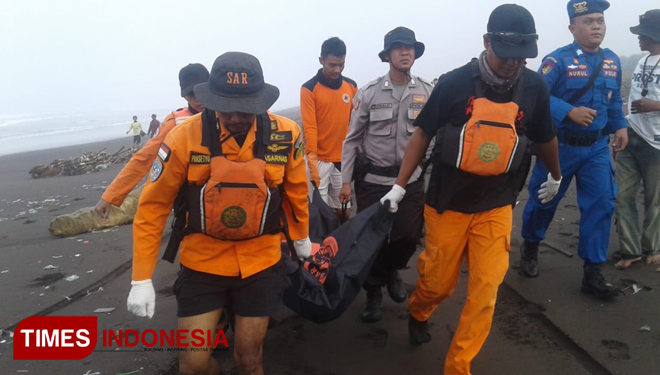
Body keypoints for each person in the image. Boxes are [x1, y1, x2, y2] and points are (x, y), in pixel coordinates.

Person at [381, 5, 561, 373]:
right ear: (487, 42)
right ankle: (420, 309)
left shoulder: (534, 87)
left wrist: (555, 176)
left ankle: (458, 366)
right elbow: (422, 133)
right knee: (438, 283)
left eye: (522, 57)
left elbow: (544, 136)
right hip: (448, 202)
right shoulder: (454, 83)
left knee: (485, 291)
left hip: (497, 203)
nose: (513, 64)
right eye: (506, 54)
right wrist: (400, 186)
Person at [126, 52, 310, 375]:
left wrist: (303, 237)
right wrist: (141, 277)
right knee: (193, 365)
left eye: (246, 108)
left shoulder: (287, 134)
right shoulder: (183, 137)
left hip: (261, 262)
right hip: (202, 263)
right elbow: (153, 207)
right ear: (209, 99)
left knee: (249, 359)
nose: (237, 117)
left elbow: (296, 191)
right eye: (227, 107)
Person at [520, 0, 628, 299]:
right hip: (559, 147)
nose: (596, 26)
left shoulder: (612, 61)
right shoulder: (557, 61)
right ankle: (530, 244)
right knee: (544, 201)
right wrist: (568, 111)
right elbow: (535, 95)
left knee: (602, 205)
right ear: (572, 27)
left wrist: (620, 126)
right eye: (589, 21)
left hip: (596, 149)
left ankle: (592, 272)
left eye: (600, 21)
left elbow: (614, 99)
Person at [339, 26, 434, 322]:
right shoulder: (368, 93)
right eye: (398, 48)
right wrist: (344, 181)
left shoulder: (428, 92)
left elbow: (433, 137)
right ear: (388, 55)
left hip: (410, 181)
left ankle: (390, 269)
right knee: (371, 240)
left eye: (410, 48)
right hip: (372, 182)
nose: (405, 52)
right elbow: (352, 139)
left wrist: (423, 167)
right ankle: (373, 292)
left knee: (407, 236)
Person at [95, 64, 209, 219]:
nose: (197, 98)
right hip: (191, 203)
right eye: (190, 94)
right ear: (183, 96)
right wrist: (110, 196)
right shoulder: (174, 123)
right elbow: (144, 158)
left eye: (201, 91)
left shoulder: (231, 116)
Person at [615, 9, 660, 269]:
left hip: (656, 143)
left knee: (653, 200)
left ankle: (652, 247)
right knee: (623, 196)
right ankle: (629, 251)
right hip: (631, 136)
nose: (638, 39)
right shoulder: (642, 62)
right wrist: (620, 129)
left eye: (641, 34)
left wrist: (656, 105)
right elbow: (629, 101)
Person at [301, 37, 358, 221]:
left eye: (341, 64)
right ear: (321, 60)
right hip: (319, 161)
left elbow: (355, 123)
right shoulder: (309, 89)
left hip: (343, 160)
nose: (337, 70)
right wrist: (311, 160)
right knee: (319, 213)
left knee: (343, 210)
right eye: (332, 64)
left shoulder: (351, 86)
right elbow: (310, 127)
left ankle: (340, 243)